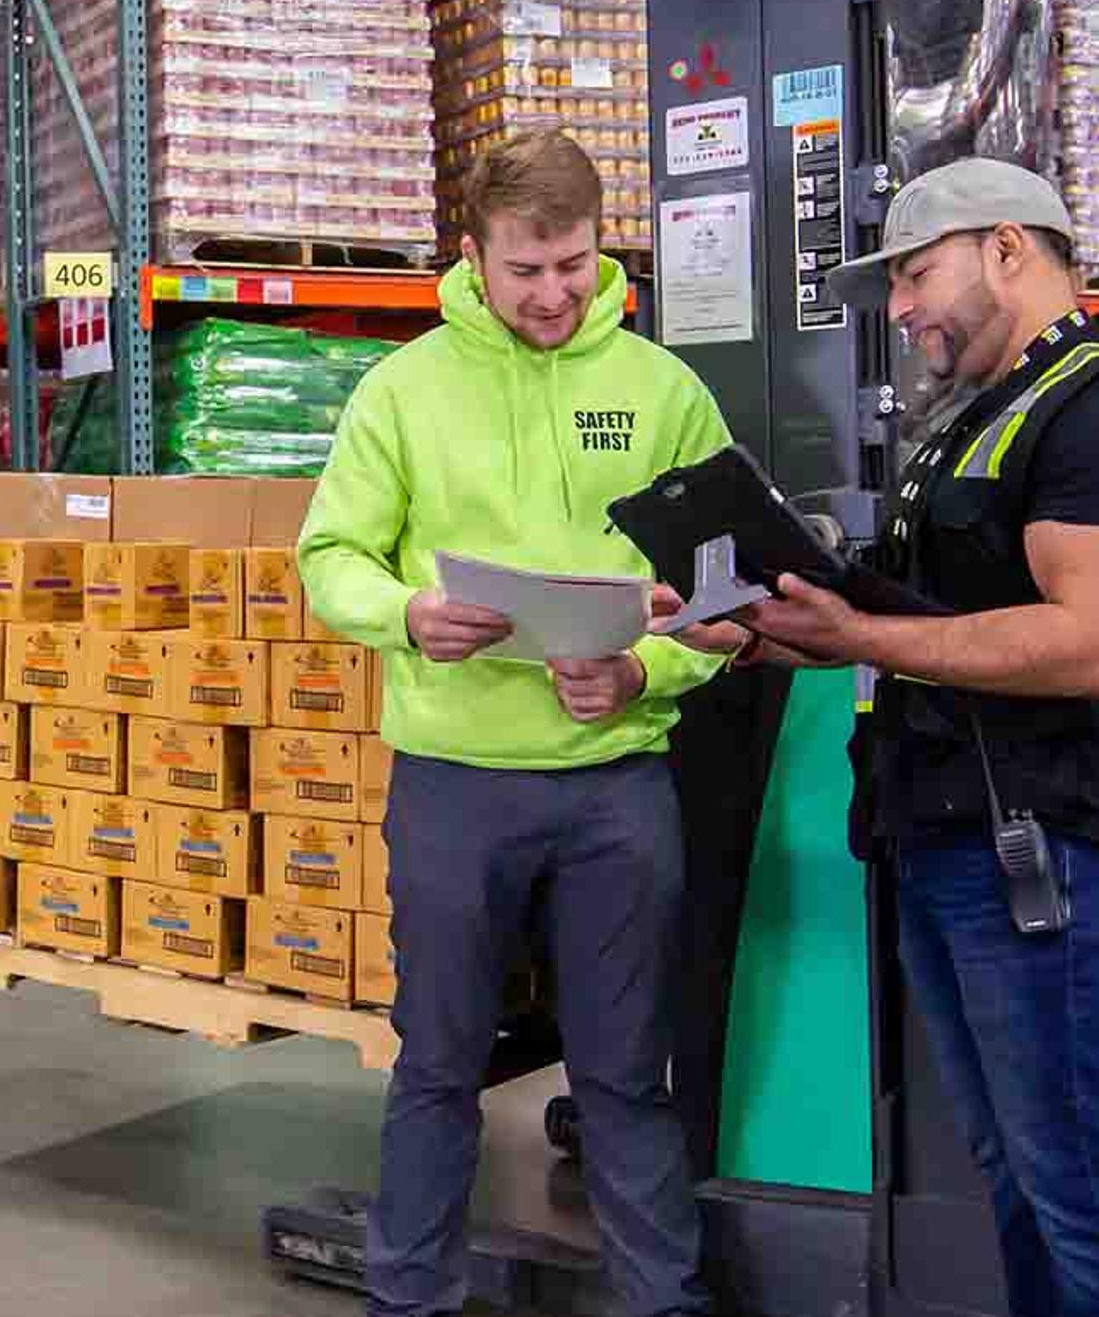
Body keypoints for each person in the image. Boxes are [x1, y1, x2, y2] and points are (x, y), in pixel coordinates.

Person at [677, 159, 1099, 1317]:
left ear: (1009, 249)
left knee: (1082, 1183)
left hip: (1055, 846)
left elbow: (1093, 644)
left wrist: (862, 624)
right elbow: (930, 625)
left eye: (919, 273)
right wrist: (766, 624)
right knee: (1021, 1177)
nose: (906, 307)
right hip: (952, 834)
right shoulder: (980, 419)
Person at [298, 130, 734, 1317]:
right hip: (454, 781)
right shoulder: (405, 387)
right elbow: (327, 556)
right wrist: (407, 613)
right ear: (474, 257)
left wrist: (644, 671)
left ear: (606, 249)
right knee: (436, 1065)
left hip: (615, 787)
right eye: (525, 269)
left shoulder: (664, 392)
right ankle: (410, 1298)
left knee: (625, 1074)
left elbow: (724, 587)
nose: (552, 295)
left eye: (575, 266)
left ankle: (664, 1300)